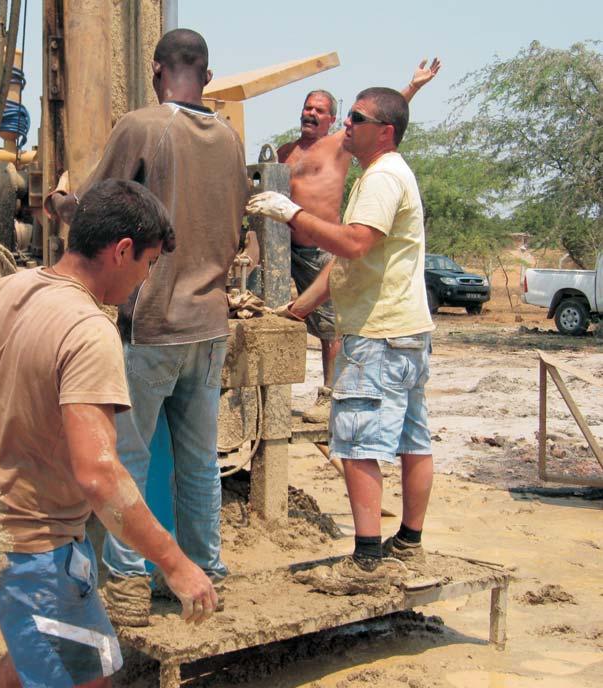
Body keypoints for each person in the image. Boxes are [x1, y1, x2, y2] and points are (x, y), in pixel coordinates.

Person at [0, 179, 217, 688]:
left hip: (12, 528)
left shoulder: (11, 289)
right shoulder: (88, 330)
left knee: (59, 659)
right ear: (122, 251)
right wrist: (175, 562)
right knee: (86, 679)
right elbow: (100, 474)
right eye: (148, 264)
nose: (146, 278)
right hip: (30, 546)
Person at [48, 28, 249, 627]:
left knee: (126, 459)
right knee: (199, 463)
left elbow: (94, 208)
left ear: (156, 70)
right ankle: (203, 575)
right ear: (206, 76)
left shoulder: (142, 126)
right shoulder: (233, 140)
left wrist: (62, 206)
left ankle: (131, 586)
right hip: (210, 324)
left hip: (154, 324)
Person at [247, 87, 434, 583]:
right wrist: (297, 308)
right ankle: (409, 543)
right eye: (346, 116)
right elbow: (348, 263)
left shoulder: (382, 177)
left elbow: (351, 244)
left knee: (356, 443)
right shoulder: (385, 175)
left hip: (378, 335)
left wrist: (291, 215)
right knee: (413, 439)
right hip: (406, 330)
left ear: (385, 131)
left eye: (356, 118)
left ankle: (367, 560)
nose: (346, 125)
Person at [276, 59, 441, 423]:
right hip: (282, 246)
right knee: (270, 316)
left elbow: (381, 117)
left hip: (323, 246)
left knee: (329, 326)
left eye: (320, 110)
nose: (311, 114)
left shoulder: (338, 145)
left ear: (333, 121)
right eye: (307, 107)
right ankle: (268, 395)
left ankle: (328, 393)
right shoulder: (285, 151)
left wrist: (412, 86)